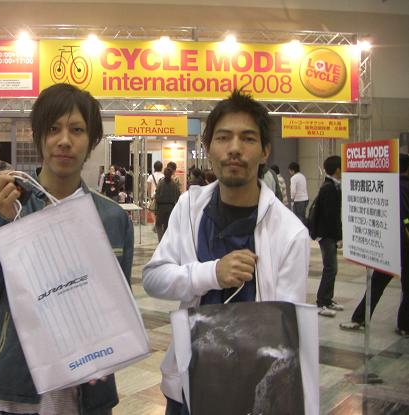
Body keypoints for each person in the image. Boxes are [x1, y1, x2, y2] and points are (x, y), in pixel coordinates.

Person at [0, 83, 133, 415]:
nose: (64, 140)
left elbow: (116, 307)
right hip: (17, 391)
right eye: (53, 129)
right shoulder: (0, 205)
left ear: (92, 140)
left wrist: (109, 349)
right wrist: (0, 221)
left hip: (88, 393)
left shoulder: (111, 218)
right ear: (39, 136)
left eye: (77, 130)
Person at [142, 90, 309, 414]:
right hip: (189, 384)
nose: (234, 148)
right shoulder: (189, 208)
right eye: (223, 137)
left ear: (265, 151)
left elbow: (287, 329)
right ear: (208, 148)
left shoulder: (289, 233)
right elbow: (153, 279)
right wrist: (212, 273)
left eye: (248, 138)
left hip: (251, 392)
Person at [340, 153, 409, 336]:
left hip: (387, 245)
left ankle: (359, 318)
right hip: (404, 245)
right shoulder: (403, 187)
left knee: (376, 284)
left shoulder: (388, 186)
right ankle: (404, 325)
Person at [313, 155, 344, 317]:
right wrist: (338, 237)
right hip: (326, 234)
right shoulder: (329, 188)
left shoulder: (331, 186)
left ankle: (327, 299)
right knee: (330, 268)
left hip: (326, 233)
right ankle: (322, 302)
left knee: (331, 268)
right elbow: (331, 216)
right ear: (337, 169)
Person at [154, 167, 181, 241]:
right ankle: (165, 241)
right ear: (171, 174)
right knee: (167, 225)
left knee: (158, 225)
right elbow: (178, 195)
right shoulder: (174, 184)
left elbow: (157, 195)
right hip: (171, 207)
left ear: (164, 174)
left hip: (161, 207)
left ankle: (160, 240)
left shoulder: (161, 183)